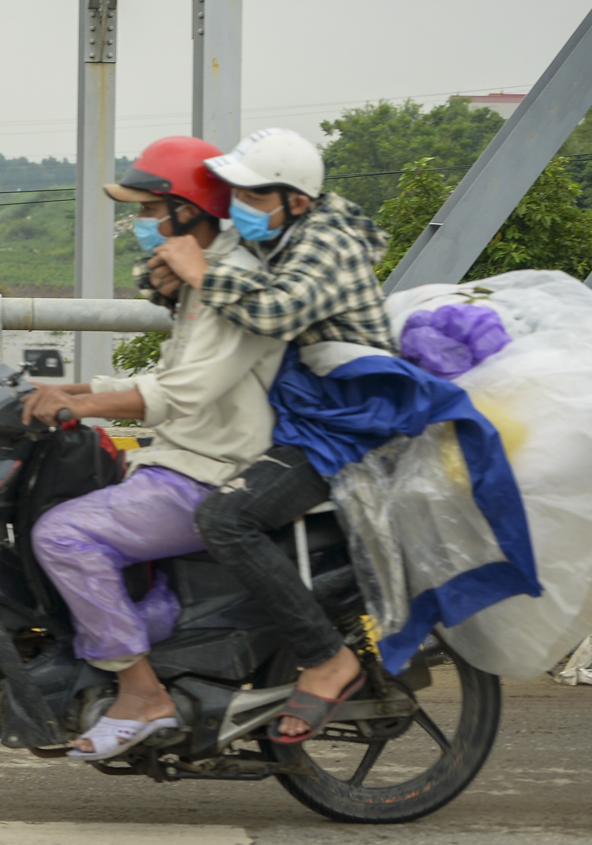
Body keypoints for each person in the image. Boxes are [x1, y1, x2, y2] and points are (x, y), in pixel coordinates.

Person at [20, 137, 284, 761]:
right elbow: (167, 375)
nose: (141, 224)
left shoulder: (232, 282)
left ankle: (142, 694)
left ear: (187, 211)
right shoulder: (201, 283)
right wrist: (72, 390)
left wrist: (80, 405)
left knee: (62, 535)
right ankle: (134, 662)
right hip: (177, 461)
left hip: (212, 475)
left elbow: (188, 390)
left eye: (147, 209)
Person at [148, 128, 401, 742]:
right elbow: (205, 260)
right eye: (234, 192)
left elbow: (275, 311)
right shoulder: (279, 231)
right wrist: (168, 274)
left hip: (347, 426)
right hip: (306, 413)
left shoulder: (327, 243)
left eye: (256, 196)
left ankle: (326, 658)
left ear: (297, 201)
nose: (240, 207)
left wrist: (202, 272)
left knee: (226, 519)